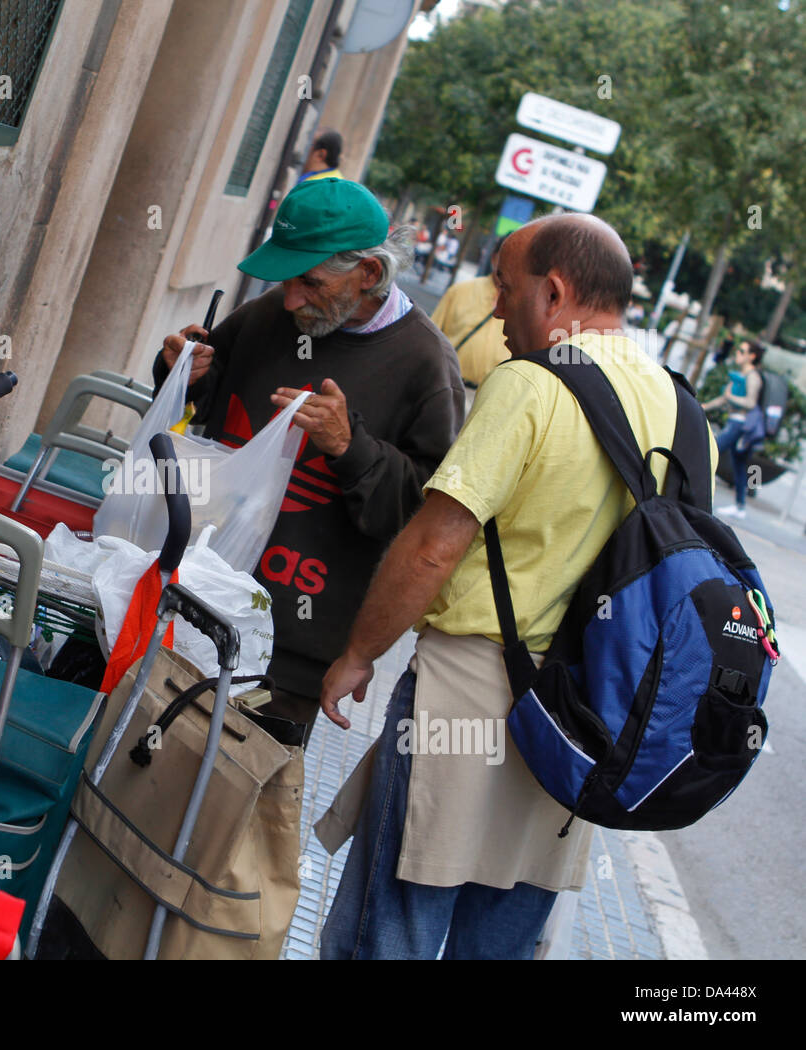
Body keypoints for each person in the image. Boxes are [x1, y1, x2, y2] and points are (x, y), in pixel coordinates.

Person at [315, 213, 716, 959]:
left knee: (391, 930)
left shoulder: (530, 385)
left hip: (469, 696)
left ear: (555, 291)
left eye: (505, 286)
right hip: (588, 723)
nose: (495, 307)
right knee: (499, 945)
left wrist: (361, 653)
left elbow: (435, 546)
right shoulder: (683, 408)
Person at [153, 179, 464, 742]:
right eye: (288, 279)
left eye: (311, 282)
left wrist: (351, 447)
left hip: (290, 643)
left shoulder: (426, 364)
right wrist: (183, 372)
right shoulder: (269, 313)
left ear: (369, 274)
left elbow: (421, 514)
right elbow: (206, 407)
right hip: (188, 593)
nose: (292, 299)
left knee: (223, 794)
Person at [701, 339, 765, 519]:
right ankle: (740, 506)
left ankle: (699, 495)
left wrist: (731, 397)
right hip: (734, 421)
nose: (738, 353)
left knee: (710, 452)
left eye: (742, 351)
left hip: (740, 424)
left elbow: (750, 403)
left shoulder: (753, 377)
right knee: (738, 466)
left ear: (752, 356)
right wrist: (705, 406)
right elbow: (724, 398)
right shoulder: (739, 376)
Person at [429, 265, 510, 394]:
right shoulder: (460, 291)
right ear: (495, 258)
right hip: (446, 386)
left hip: (488, 395)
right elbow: (430, 338)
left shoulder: (524, 308)